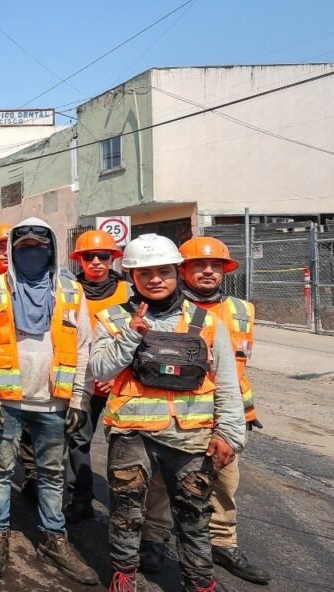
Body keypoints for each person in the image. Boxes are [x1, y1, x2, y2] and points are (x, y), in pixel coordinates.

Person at [89, 234, 244, 592]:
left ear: (177, 272)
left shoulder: (206, 322)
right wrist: (130, 335)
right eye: (144, 273)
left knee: (194, 515)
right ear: (131, 278)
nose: (154, 279)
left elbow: (226, 381)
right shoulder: (112, 318)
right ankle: (124, 576)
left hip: (191, 437)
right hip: (132, 435)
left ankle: (199, 583)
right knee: (126, 511)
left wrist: (229, 434)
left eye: (163, 271)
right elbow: (99, 370)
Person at [0, 218, 98, 585]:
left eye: (38, 248)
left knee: (52, 473)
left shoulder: (71, 292)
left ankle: (54, 538)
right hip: (7, 401)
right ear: (12, 251)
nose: (31, 254)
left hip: (54, 403)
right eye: (23, 248)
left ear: (52, 250)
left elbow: (84, 347)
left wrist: (80, 398)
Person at [136, 237, 269, 585]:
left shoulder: (242, 310)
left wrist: (233, 424)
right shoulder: (165, 311)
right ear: (182, 269)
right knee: (162, 484)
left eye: (215, 266)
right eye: (198, 265)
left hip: (225, 413)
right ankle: (154, 538)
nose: (208, 271)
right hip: (178, 415)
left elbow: (237, 371)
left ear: (225, 270)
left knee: (225, 482)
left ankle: (222, 543)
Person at [62, 229, 128, 524]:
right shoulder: (69, 291)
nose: (97, 262)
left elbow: (140, 340)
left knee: (126, 449)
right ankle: (80, 499)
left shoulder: (128, 292)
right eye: (90, 257)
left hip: (120, 383)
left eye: (104, 256)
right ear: (80, 260)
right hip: (81, 381)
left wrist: (115, 376)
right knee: (78, 440)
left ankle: (128, 510)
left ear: (113, 258)